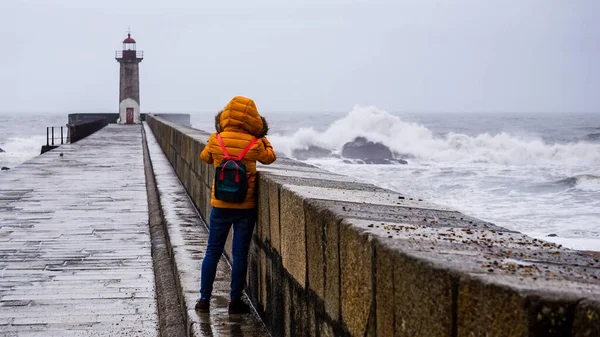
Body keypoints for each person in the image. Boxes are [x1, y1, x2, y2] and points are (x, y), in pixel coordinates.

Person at [196, 96, 276, 314]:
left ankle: (204, 299)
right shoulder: (254, 143)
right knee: (239, 254)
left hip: (220, 205)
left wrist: (216, 143)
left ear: (226, 115)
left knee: (212, 251)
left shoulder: (216, 139)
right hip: (244, 207)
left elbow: (204, 157)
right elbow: (270, 158)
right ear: (252, 118)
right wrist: (263, 138)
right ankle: (234, 302)